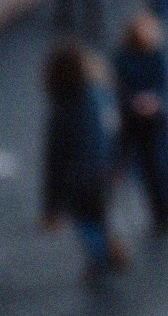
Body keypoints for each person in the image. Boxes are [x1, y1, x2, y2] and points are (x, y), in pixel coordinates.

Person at [39, 38, 125, 278]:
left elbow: (55, 162)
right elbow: (114, 130)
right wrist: (118, 163)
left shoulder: (60, 111)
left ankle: (99, 258)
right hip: (103, 170)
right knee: (104, 211)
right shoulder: (100, 96)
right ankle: (112, 242)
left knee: (87, 223)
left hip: (77, 182)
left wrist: (51, 208)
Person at [113, 10, 168, 233]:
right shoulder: (123, 57)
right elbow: (120, 89)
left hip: (157, 122)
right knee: (147, 170)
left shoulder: (156, 54)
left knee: (164, 167)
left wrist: (156, 102)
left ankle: (167, 212)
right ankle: (158, 212)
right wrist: (135, 102)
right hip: (134, 125)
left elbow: (164, 85)